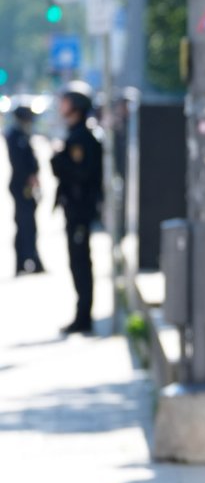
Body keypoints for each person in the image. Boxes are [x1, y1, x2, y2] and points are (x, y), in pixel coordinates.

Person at [51, 81, 103, 334]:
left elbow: (81, 173)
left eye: (66, 101)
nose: (62, 106)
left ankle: (84, 317)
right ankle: (82, 315)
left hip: (80, 209)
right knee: (76, 262)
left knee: (81, 263)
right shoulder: (75, 133)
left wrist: (57, 160)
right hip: (75, 208)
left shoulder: (82, 137)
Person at [4, 105, 45, 275]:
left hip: (26, 185)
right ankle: (27, 259)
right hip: (21, 186)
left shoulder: (22, 134)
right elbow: (20, 163)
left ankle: (27, 260)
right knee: (25, 224)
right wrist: (30, 177)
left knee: (28, 224)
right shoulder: (15, 136)